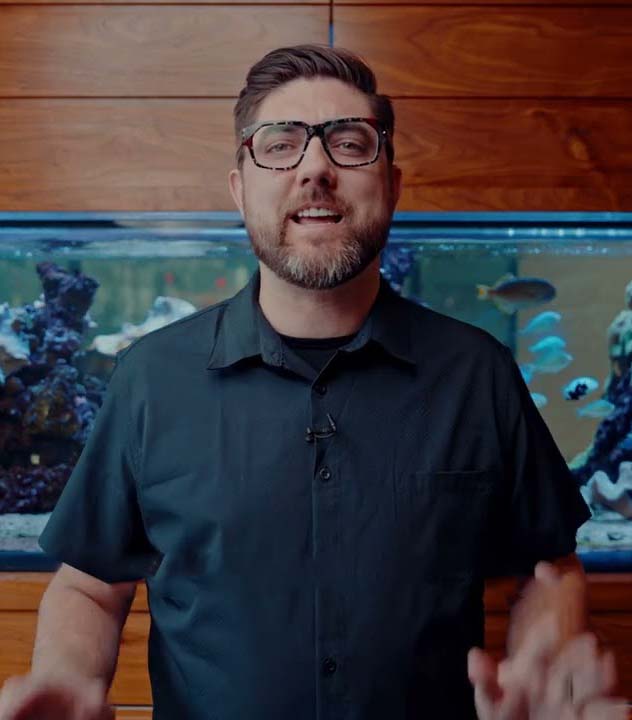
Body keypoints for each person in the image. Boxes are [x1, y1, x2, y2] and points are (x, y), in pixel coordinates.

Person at [0, 44, 626, 720]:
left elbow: (546, 569)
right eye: (280, 145)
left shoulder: (479, 374)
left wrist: (546, 655)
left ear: (392, 184)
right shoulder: (150, 378)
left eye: (350, 144)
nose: (315, 168)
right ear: (240, 188)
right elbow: (90, 585)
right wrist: (65, 676)